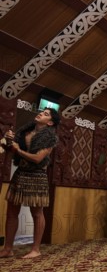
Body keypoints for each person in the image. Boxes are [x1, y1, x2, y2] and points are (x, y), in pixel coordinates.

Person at [0, 108, 60, 259]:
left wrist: (18, 150)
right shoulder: (24, 132)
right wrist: (8, 140)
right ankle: (8, 249)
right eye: (42, 111)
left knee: (37, 213)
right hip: (20, 173)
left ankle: (36, 249)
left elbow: (38, 159)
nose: (41, 113)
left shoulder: (50, 138)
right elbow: (11, 149)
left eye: (46, 114)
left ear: (50, 122)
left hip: (37, 176)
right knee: (12, 212)